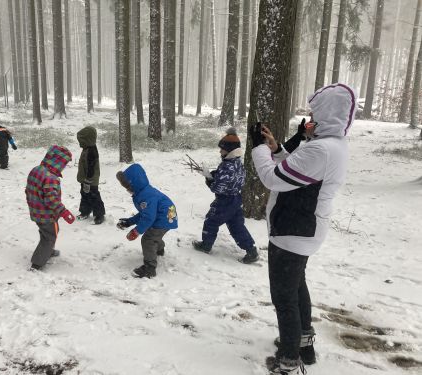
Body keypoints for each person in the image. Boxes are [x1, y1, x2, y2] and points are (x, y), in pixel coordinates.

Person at [250, 83, 357, 375]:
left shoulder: (322, 148)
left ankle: (288, 360)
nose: (310, 118)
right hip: (304, 228)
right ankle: (304, 345)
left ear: (326, 114)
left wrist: (258, 148)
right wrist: (277, 148)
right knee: (297, 288)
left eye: (314, 112)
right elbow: (297, 171)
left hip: (294, 230)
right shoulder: (333, 145)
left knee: (284, 297)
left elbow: (273, 179)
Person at [192, 127, 259, 264]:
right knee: (237, 226)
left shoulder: (227, 166)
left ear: (229, 150)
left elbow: (218, 187)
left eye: (222, 149)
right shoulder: (236, 163)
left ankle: (206, 245)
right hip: (236, 200)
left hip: (225, 201)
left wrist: (209, 179)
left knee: (211, 221)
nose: (220, 151)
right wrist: (215, 174)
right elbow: (230, 178)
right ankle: (251, 250)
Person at [116, 164, 178, 278]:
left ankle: (150, 268)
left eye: (128, 186)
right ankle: (159, 250)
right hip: (168, 215)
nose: (127, 189)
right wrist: (129, 222)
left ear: (135, 183)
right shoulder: (143, 192)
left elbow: (149, 217)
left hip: (165, 217)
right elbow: (145, 214)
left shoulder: (146, 196)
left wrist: (136, 231)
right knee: (154, 235)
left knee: (148, 239)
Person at [25, 145, 75, 270]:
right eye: (64, 164)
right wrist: (63, 211)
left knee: (46, 233)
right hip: (46, 214)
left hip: (36, 211)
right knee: (50, 236)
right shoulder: (51, 178)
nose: (63, 168)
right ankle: (37, 263)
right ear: (58, 163)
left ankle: (47, 250)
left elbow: (28, 190)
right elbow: (51, 200)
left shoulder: (36, 170)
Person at [76, 126, 105, 224]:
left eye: (81, 140)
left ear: (87, 140)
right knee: (84, 195)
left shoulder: (92, 151)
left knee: (94, 196)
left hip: (90, 180)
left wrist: (88, 181)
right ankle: (85, 211)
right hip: (85, 179)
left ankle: (99, 214)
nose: (80, 143)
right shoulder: (87, 148)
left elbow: (91, 167)